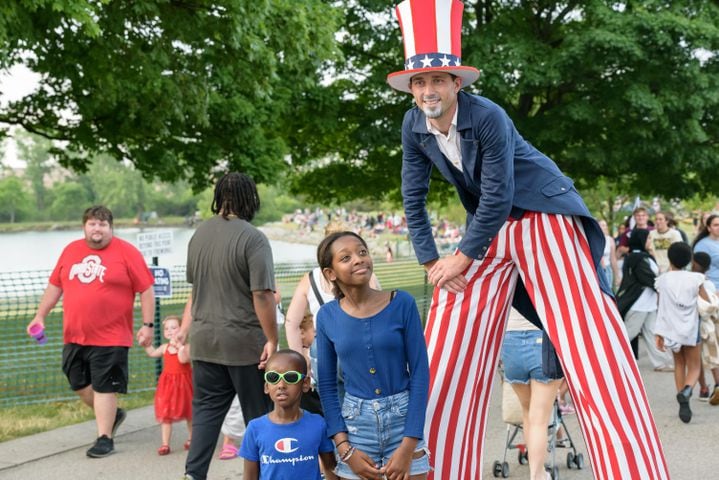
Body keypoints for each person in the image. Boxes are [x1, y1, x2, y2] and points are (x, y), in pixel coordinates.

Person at [386, 1, 668, 478]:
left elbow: (499, 194)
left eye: (438, 79)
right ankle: (436, 468)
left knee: (590, 339)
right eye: (419, 81)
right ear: (411, 89)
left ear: (457, 83)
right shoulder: (413, 126)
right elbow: (413, 200)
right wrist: (432, 262)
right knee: (447, 332)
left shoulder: (490, 115)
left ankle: (633, 469)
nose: (428, 88)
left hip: (543, 210)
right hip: (491, 226)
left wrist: (460, 257)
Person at [26, 205, 155, 458]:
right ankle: (112, 415)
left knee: (105, 387)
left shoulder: (127, 252)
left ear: (111, 227)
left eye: (103, 224)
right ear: (84, 226)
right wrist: (40, 315)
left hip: (112, 336)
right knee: (78, 382)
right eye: (93, 224)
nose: (97, 228)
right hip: (74, 334)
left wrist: (147, 325)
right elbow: (55, 286)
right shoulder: (70, 251)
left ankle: (104, 438)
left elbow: (146, 290)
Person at [177, 172, 277, 480]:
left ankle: (193, 474)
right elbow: (261, 293)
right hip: (245, 344)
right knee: (260, 417)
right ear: (251, 199)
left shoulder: (199, 235)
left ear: (219, 197)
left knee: (206, 413)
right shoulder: (253, 238)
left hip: (204, 341)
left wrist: (185, 331)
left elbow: (196, 291)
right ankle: (265, 474)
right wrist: (272, 339)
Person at [315, 231, 430, 480]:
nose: (358, 259)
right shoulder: (327, 317)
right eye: (346, 257)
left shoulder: (403, 304)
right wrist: (344, 448)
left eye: (362, 252)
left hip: (404, 423)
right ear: (330, 273)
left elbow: (420, 373)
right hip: (356, 427)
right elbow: (326, 385)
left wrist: (409, 445)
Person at [285, 221, 381, 414]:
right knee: (363, 410)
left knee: (333, 411)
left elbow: (291, 323)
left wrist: (301, 362)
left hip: (322, 350)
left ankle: (339, 443)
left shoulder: (310, 279)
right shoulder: (365, 274)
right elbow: (377, 315)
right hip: (357, 347)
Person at [239, 349, 338, 480]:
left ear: (306, 384)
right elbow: (250, 477)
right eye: (273, 378)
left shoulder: (318, 424)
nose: (281, 385)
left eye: (290, 377)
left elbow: (331, 469)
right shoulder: (255, 429)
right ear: (266, 386)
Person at [501, 311, 563, 480]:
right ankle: (537, 474)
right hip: (542, 338)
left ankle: (535, 471)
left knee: (527, 413)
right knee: (539, 420)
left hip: (509, 341)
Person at [655, 242, 710, 423]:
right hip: (691, 328)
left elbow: (660, 307)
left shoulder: (662, 280)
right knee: (694, 366)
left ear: (670, 258)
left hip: (671, 329)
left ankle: (681, 398)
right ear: (689, 259)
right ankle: (687, 391)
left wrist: (659, 333)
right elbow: (707, 303)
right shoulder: (696, 278)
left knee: (679, 364)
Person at [615, 229, 674, 371]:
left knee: (652, 332)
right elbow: (648, 279)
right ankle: (604, 356)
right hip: (639, 304)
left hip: (649, 303)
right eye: (648, 239)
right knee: (629, 333)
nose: (650, 241)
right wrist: (663, 284)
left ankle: (661, 363)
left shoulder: (644, 256)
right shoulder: (636, 258)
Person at [143, 315, 192, 455]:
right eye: (167, 328)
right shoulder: (165, 347)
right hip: (168, 385)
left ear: (182, 329)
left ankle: (191, 438)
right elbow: (152, 353)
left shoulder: (185, 347)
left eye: (174, 327)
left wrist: (180, 346)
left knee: (190, 412)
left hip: (184, 385)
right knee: (166, 413)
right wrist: (146, 344)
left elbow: (183, 360)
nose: (170, 330)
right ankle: (165, 444)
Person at [691, 252, 719, 405]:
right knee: (713, 357)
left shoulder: (693, 281)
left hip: (695, 324)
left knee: (697, 360)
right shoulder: (710, 283)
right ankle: (717, 384)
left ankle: (703, 388)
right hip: (709, 325)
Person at [598, 219, 620, 290]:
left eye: (605, 225)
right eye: (602, 225)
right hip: (597, 269)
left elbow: (613, 259)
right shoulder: (593, 239)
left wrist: (617, 275)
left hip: (607, 269)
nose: (604, 227)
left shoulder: (610, 240)